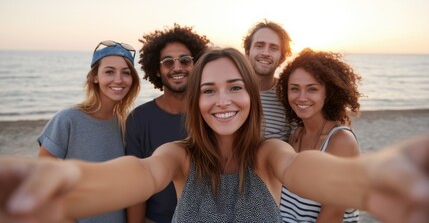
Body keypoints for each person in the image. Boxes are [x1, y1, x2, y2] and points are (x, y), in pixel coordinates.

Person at [1, 48, 429, 223]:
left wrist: (369, 178)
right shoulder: (178, 155)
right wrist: (60, 188)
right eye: (209, 90)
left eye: (234, 87)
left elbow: (302, 169)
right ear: (197, 102)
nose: (222, 100)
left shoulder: (269, 152)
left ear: (250, 94)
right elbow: (140, 174)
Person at [37, 40, 140, 223]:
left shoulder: (124, 124)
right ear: (95, 77)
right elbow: (41, 177)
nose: (119, 79)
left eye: (126, 73)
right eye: (109, 71)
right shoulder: (68, 119)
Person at [125, 24, 211, 223]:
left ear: (196, 65)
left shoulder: (212, 113)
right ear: (157, 70)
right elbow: (136, 187)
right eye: (168, 62)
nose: (177, 67)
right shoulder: (138, 119)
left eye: (185, 60)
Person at [277, 48, 362, 222]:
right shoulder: (296, 133)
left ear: (328, 93)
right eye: (294, 89)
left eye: (312, 89)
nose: (301, 97)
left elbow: (332, 216)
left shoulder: (340, 141)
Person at [243, 20, 293, 142]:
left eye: (273, 48)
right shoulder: (228, 90)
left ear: (282, 58)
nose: (265, 53)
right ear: (247, 51)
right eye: (259, 46)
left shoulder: (290, 97)